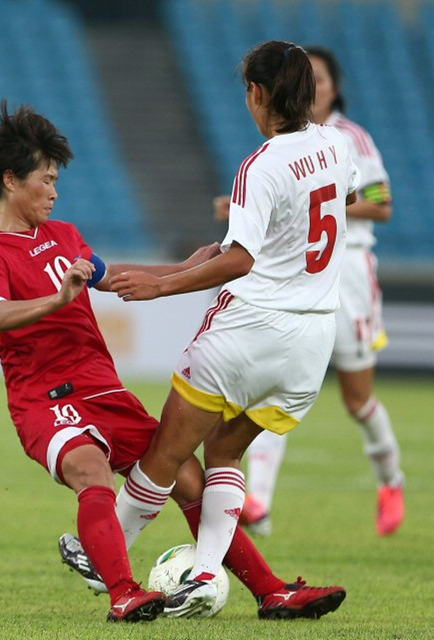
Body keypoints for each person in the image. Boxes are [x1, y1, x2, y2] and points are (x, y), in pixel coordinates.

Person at [0, 101, 339, 623]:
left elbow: (111, 278)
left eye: (55, 180)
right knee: (91, 470)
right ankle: (123, 593)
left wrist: (183, 269)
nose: (54, 190)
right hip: (46, 400)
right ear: (10, 179)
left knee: (188, 478)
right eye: (46, 180)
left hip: (104, 390)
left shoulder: (65, 236)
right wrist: (57, 300)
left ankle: (273, 591)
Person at [109, 40, 359, 617]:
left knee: (168, 450)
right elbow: (341, 198)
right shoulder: (337, 143)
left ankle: (108, 564)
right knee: (227, 450)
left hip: (250, 328)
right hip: (311, 340)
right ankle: (202, 573)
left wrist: (160, 284)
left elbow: (242, 259)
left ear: (258, 93)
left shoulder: (260, 166)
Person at [228, 46, 404, 538]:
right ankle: (257, 497)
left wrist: (319, 204)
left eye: (324, 79)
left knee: (357, 399)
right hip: (299, 271)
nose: (318, 87)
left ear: (334, 87)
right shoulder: (290, 143)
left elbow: (380, 202)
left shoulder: (350, 139)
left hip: (346, 272)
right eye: (312, 79)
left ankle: (392, 480)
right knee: (274, 381)